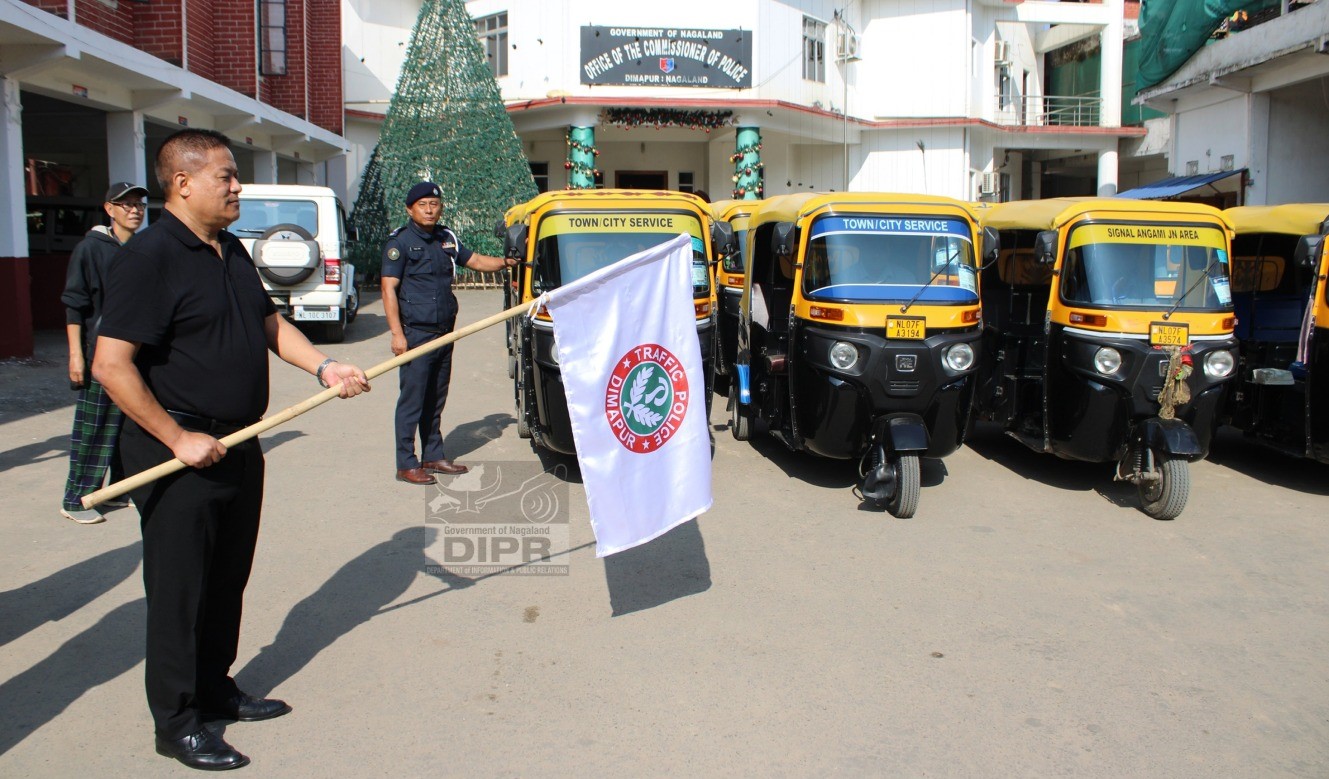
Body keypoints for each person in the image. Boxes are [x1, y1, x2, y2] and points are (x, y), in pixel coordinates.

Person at [93, 128, 370, 771]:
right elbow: (111, 365)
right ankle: (178, 720)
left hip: (239, 443)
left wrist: (324, 367)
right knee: (180, 590)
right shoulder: (149, 257)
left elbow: (268, 323)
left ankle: (215, 689)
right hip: (179, 452)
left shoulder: (231, 249)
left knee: (227, 579)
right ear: (183, 184)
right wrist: (177, 438)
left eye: (235, 174)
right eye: (226, 175)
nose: (237, 185)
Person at [381, 181, 518, 485]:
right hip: (416, 334)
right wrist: (396, 334)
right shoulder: (399, 243)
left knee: (436, 397)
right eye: (423, 205)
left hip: (445, 333)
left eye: (434, 204)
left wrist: (506, 263)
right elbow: (388, 288)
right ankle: (406, 463)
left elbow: (475, 261)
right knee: (412, 400)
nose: (429, 210)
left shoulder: (446, 239)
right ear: (409, 209)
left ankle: (433, 455)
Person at [58, 182, 147, 524]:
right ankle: (76, 500)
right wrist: (76, 356)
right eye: (126, 205)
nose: (134, 210)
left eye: (139, 204)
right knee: (94, 427)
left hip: (136, 354)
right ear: (109, 209)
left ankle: (115, 492)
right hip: (101, 354)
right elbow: (75, 305)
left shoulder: (140, 249)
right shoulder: (91, 249)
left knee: (129, 425)